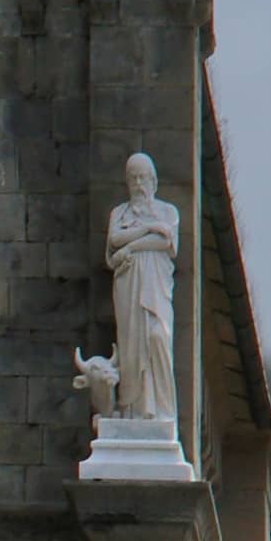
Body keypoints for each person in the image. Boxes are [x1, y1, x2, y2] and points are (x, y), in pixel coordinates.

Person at [106, 152, 179, 433]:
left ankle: (161, 410)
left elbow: (166, 242)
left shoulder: (169, 212)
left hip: (156, 286)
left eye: (143, 177)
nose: (138, 183)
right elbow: (114, 239)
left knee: (157, 337)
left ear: (154, 181)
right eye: (133, 178)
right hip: (127, 284)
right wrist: (148, 227)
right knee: (132, 345)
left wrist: (132, 245)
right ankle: (134, 409)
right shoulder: (119, 213)